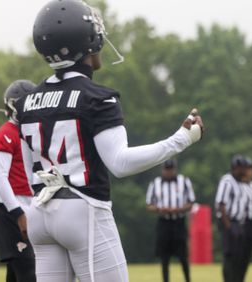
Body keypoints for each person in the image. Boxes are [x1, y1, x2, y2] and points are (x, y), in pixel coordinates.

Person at [16, 1, 203, 281]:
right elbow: (120, 163)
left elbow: (29, 168)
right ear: (87, 40)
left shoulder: (25, 102)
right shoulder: (98, 97)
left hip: (40, 214)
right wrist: (181, 139)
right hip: (83, 210)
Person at [0, 80, 37, 281]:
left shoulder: (32, 133)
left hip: (30, 204)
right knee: (27, 269)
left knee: (17, 272)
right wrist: (18, 212)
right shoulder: (5, 134)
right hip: (9, 209)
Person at [146, 159, 195, 282]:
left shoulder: (184, 181)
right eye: (166, 170)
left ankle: (188, 279)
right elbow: (149, 205)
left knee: (183, 256)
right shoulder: (155, 183)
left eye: (171, 170)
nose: (169, 172)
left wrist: (178, 209)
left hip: (179, 222)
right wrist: (160, 209)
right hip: (164, 222)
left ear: (175, 169)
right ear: (163, 170)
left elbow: (191, 202)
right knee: (164, 257)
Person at [214, 154, 252, 282]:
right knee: (230, 256)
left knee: (239, 256)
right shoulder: (227, 181)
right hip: (229, 221)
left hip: (240, 223)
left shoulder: (242, 183)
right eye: (242, 168)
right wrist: (228, 226)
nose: (244, 171)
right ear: (235, 168)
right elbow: (221, 204)